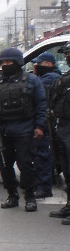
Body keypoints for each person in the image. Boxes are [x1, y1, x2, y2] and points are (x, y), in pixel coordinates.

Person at [0, 47, 46, 212]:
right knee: (3, 163)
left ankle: (29, 196)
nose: (6, 65)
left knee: (25, 164)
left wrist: (39, 126)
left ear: (17, 63)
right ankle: (12, 194)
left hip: (25, 128)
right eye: (4, 62)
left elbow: (41, 104)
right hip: (3, 130)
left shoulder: (31, 80)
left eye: (9, 62)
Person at [32, 52, 60, 199]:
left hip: (47, 123)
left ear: (49, 64)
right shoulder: (52, 77)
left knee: (42, 154)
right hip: (51, 123)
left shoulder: (50, 79)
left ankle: (43, 187)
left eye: (39, 64)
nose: (35, 66)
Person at [48, 43, 70, 223]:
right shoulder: (64, 79)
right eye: (67, 54)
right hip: (62, 127)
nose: (68, 56)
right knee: (66, 168)